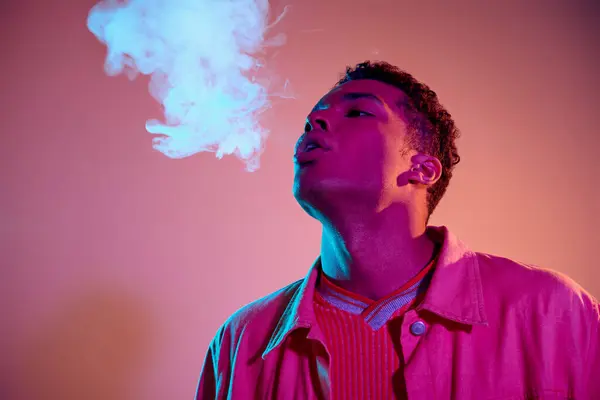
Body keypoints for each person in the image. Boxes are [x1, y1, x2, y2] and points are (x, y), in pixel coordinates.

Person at [195, 61, 600, 399]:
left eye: (357, 113)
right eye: (312, 118)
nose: (314, 120)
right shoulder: (241, 341)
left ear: (422, 169)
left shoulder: (553, 312)